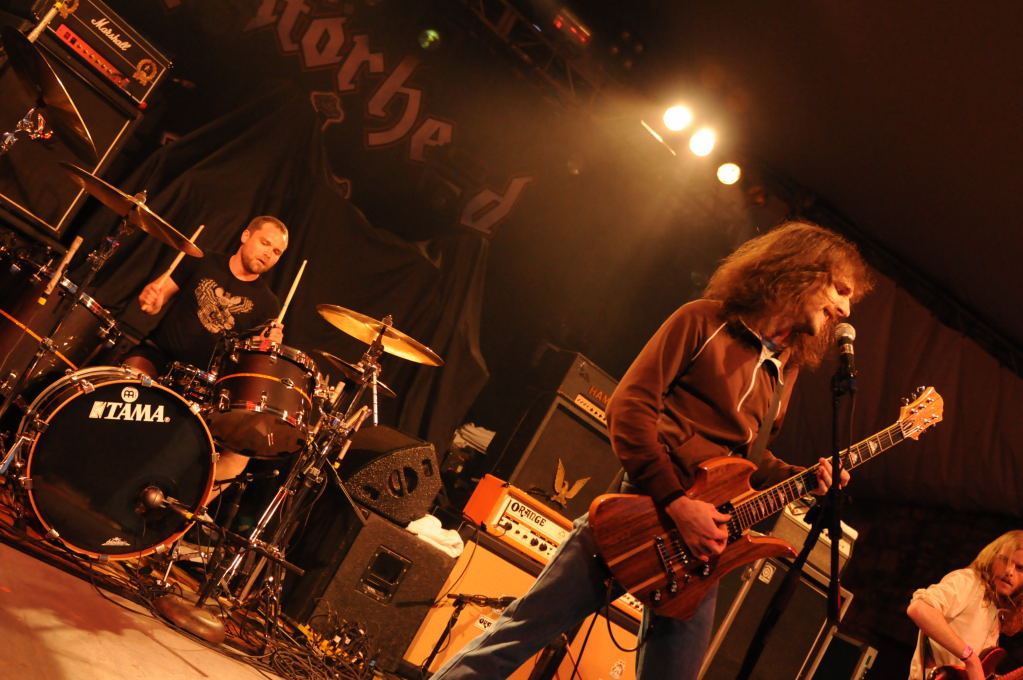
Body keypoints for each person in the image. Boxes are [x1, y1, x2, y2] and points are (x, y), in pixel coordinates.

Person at [429, 220, 872, 680]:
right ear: (799, 271)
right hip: (640, 513)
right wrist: (677, 503)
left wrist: (803, 477)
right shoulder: (702, 321)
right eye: (839, 290)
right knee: (512, 641)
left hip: (701, 547)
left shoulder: (785, 366)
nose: (844, 308)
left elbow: (748, 459)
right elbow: (628, 411)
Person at [125, 215, 289, 494]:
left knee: (239, 456)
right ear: (246, 236)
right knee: (126, 383)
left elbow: (248, 363)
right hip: (159, 356)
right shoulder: (201, 260)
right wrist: (152, 299)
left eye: (276, 252)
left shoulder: (268, 304)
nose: (269, 254)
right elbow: (157, 297)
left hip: (206, 387)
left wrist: (267, 347)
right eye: (265, 243)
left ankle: (178, 509)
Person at [907, 531, 1023, 680]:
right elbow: (919, 608)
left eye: (1020, 568)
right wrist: (970, 658)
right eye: (1004, 560)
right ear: (992, 558)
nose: (1009, 571)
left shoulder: (996, 609)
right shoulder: (969, 582)